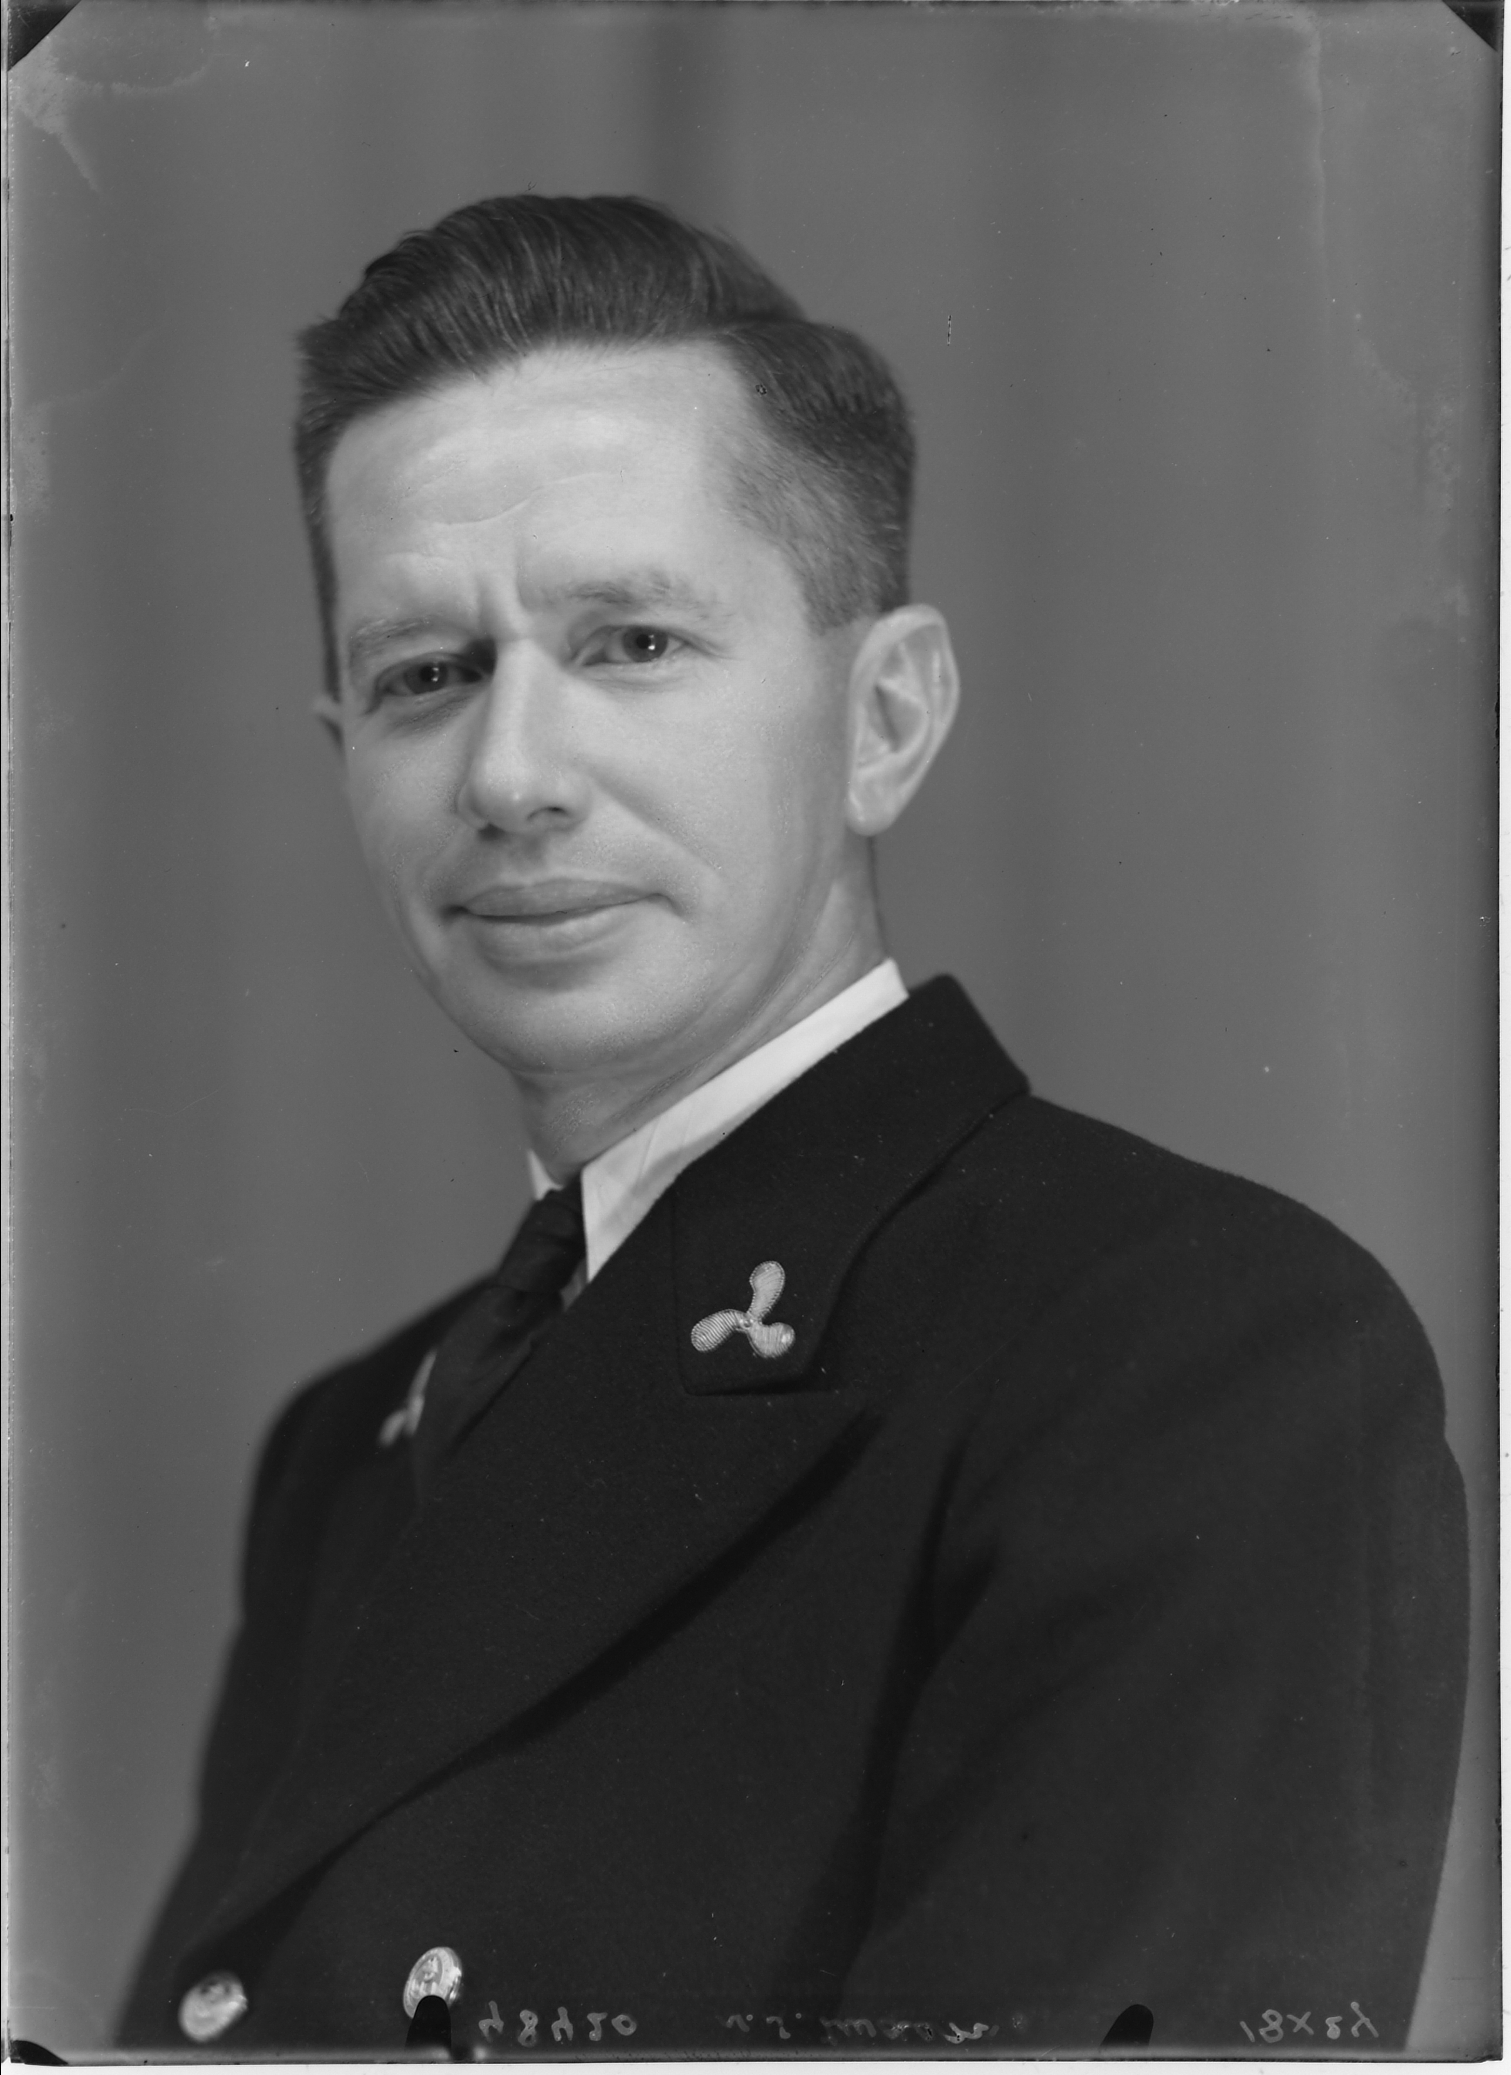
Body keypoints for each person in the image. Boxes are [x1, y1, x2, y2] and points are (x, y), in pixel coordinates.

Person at [119, 195, 1467, 2058]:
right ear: (345, 755)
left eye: (632, 642)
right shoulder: (349, 1454)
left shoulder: (1187, 1359)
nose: (511, 775)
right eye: (426, 675)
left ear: (883, 718)